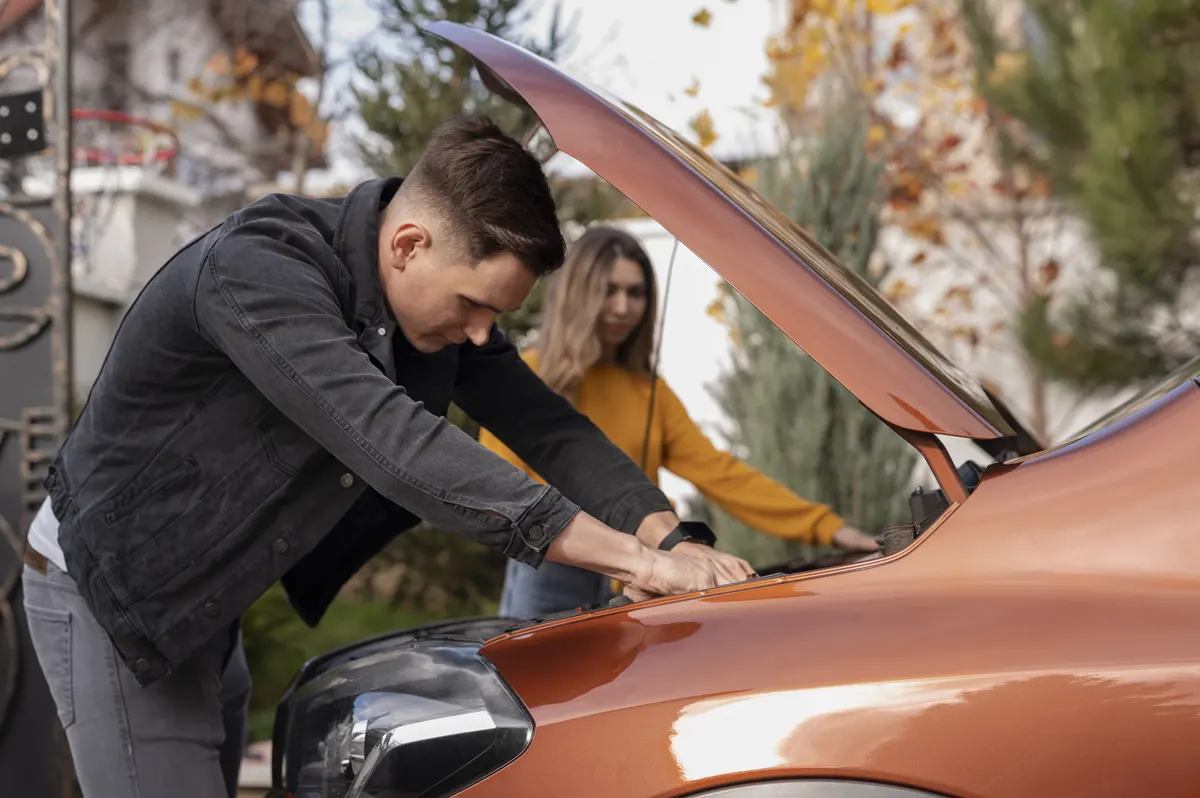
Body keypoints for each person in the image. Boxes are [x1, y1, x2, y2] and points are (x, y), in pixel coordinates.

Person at [20, 116, 753, 798]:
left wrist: (673, 539)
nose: (479, 334)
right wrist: (636, 563)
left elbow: (551, 428)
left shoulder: (432, 310)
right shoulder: (259, 272)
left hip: (204, 595)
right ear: (408, 244)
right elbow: (394, 440)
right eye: (474, 305)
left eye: (495, 315)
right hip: (114, 592)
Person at [479, 226, 880, 619]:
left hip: (643, 581)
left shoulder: (648, 390)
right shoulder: (530, 378)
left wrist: (826, 527)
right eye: (608, 290)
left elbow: (723, 475)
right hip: (553, 574)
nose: (623, 307)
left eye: (635, 293)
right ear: (577, 294)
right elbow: (503, 495)